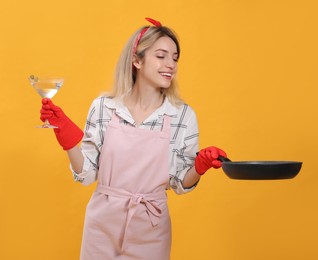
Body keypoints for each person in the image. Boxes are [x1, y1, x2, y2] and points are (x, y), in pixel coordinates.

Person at [40, 17, 227, 259]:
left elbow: (180, 183)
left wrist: (199, 167)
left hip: (151, 227)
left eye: (175, 57)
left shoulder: (182, 115)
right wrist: (66, 138)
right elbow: (86, 174)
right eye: (161, 56)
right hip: (102, 226)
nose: (170, 64)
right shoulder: (104, 107)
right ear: (137, 60)